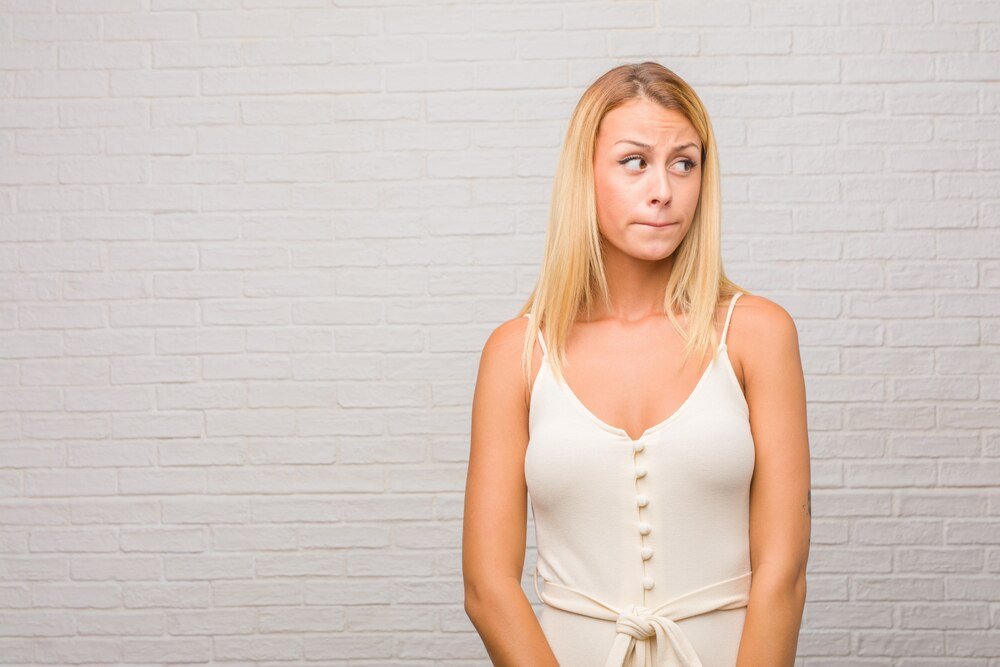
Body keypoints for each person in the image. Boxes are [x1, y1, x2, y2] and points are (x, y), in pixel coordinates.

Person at [462, 61, 811, 666]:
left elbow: (783, 574)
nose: (663, 190)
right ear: (584, 176)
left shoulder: (758, 335)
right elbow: (487, 588)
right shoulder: (516, 353)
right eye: (634, 162)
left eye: (684, 163)